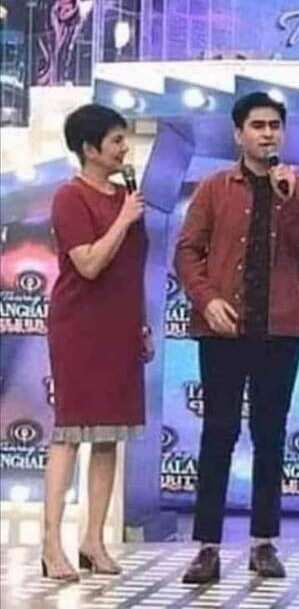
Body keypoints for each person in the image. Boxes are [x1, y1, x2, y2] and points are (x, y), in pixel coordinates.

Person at [175, 91, 299, 584]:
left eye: (274, 126)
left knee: (270, 435)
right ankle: (207, 547)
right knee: (218, 433)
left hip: (279, 331)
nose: (267, 134)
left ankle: (263, 542)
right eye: (258, 126)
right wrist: (206, 300)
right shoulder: (213, 188)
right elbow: (187, 251)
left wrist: (289, 202)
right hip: (223, 329)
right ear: (238, 134)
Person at [43, 104, 153, 581]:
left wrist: (141, 323)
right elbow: (87, 263)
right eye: (116, 141)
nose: (124, 148)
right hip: (80, 327)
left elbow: (132, 268)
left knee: (110, 435)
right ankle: (52, 544)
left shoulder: (127, 197)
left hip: (121, 326)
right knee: (71, 432)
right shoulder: (70, 197)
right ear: (90, 149)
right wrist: (123, 219)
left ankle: (93, 540)